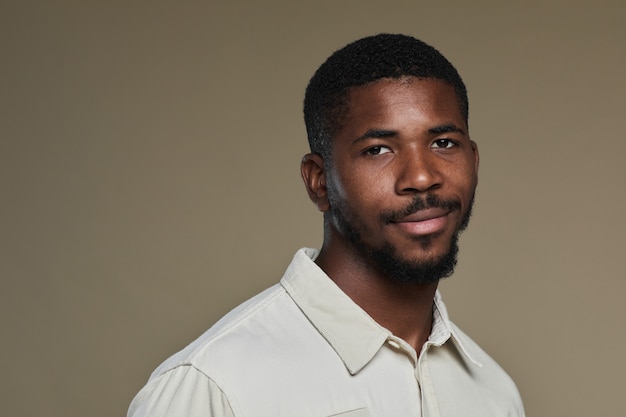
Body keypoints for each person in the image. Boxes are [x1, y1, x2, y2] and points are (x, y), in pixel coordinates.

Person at [127, 33, 525, 417]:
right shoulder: (217, 387)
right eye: (378, 150)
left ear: (474, 161)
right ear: (319, 180)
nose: (421, 177)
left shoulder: (493, 393)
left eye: (443, 143)